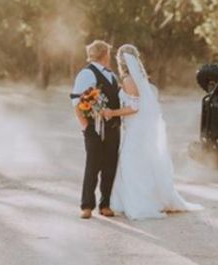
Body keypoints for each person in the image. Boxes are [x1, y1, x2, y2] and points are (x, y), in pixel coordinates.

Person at [102, 44, 203, 220]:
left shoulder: (128, 79)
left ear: (121, 61)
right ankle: (150, 199)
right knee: (143, 162)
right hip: (139, 128)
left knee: (130, 164)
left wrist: (112, 113)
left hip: (136, 129)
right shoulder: (139, 77)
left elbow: (134, 107)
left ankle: (139, 203)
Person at [71, 40, 120, 219]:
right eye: (108, 53)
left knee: (110, 166)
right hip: (94, 129)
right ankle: (86, 205)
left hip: (113, 128)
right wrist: (85, 126)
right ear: (104, 54)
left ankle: (105, 204)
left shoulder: (111, 75)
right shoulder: (86, 74)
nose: (110, 56)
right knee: (93, 165)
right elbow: (76, 102)